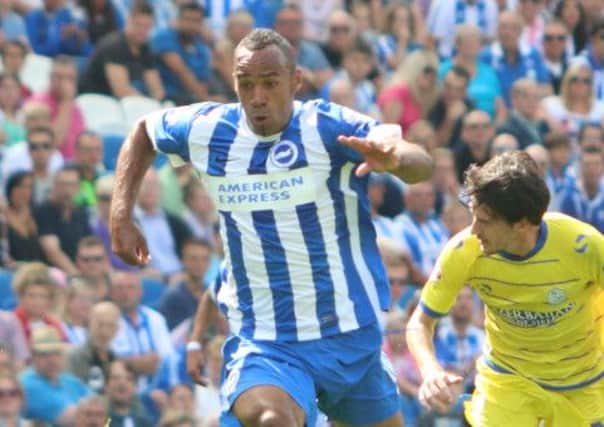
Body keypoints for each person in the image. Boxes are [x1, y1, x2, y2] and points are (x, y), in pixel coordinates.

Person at [110, 28, 433, 427]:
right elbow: (144, 130)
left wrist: (397, 159)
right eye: (246, 84)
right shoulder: (211, 130)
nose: (257, 97)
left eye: (269, 83)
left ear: (295, 81)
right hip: (267, 339)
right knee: (271, 419)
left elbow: (421, 163)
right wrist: (121, 214)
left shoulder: (328, 127)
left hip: (351, 333)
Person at [406, 151, 604, 426]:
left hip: (583, 384)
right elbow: (420, 323)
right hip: (507, 381)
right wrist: (430, 371)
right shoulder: (464, 251)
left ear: (522, 224)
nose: (473, 230)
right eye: (473, 216)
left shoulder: (583, 246)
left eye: (485, 221)